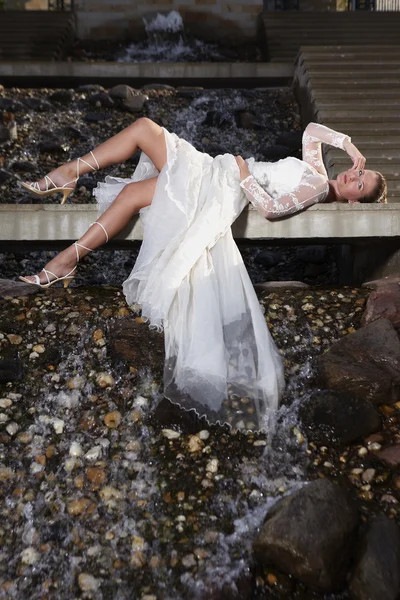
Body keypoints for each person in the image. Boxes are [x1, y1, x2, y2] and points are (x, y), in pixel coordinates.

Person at [18, 119, 387, 431]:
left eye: (359, 182)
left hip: (222, 183)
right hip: (217, 174)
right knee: (131, 193)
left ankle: (69, 175)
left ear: (353, 200)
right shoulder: (320, 173)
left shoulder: (319, 187)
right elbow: (310, 132)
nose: (354, 174)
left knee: (145, 128)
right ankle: (65, 261)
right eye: (359, 170)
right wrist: (349, 146)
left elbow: (272, 209)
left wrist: (245, 177)